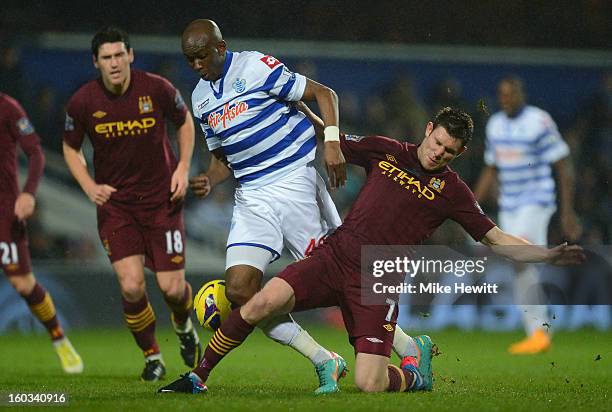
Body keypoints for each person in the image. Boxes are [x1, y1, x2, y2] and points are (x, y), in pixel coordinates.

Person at [159, 106, 584, 394]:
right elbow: (330, 139)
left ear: (460, 153)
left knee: (369, 384)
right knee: (259, 303)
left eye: (449, 152)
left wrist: (545, 255)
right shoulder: (385, 150)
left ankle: (414, 377)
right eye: (437, 143)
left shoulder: (453, 191)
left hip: (378, 280)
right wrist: (292, 103)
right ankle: (198, 377)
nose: (438, 154)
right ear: (427, 131)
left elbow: (495, 238)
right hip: (335, 256)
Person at [181, 19, 423, 394]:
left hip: (295, 180)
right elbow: (221, 157)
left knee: (343, 280)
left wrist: (331, 142)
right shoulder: (200, 99)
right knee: (241, 290)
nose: (196, 64)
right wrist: (210, 179)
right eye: (189, 59)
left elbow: (325, 94)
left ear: (220, 47)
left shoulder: (256, 67)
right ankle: (322, 358)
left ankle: (409, 345)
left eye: (201, 56)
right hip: (252, 197)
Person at [62, 26, 200, 381]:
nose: (114, 63)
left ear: (131, 55)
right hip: (117, 207)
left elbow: (185, 123)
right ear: (96, 62)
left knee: (172, 289)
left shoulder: (156, 88)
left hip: (162, 201)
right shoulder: (83, 102)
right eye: (106, 57)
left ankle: (183, 325)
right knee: (131, 285)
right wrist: (88, 184)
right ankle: (153, 356)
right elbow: (70, 147)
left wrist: (183, 168)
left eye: (119, 55)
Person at [473, 75, 582, 354]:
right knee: (519, 264)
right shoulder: (496, 124)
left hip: (537, 201)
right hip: (510, 205)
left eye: (510, 94)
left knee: (521, 258)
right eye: (502, 94)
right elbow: (491, 168)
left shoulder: (539, 121)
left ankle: (539, 332)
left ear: (521, 93)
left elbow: (562, 165)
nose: (505, 99)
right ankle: (538, 332)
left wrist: (567, 212)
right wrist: (471, 204)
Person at [1, 92, 83, 373]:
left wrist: (28, 194)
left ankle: (59, 338)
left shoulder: (9, 107)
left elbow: (35, 153)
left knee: (23, 284)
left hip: (5, 212)